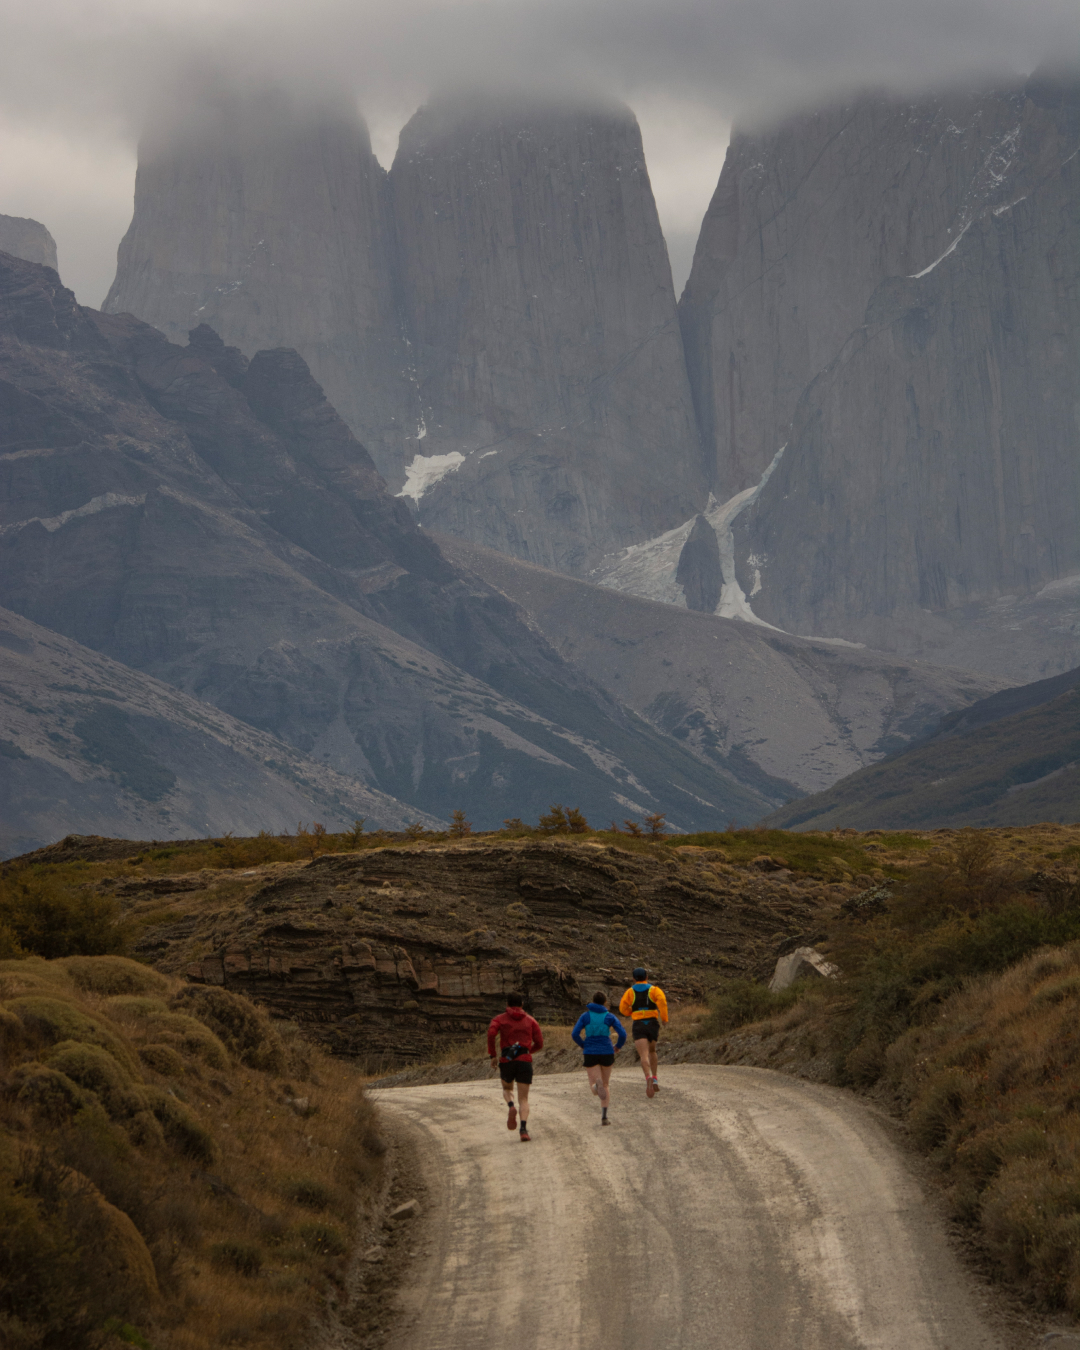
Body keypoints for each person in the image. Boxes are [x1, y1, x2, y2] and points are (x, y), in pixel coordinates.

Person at [487, 992, 544, 1142]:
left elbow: (491, 1033)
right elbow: (540, 1043)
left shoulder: (499, 1019)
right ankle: (523, 1130)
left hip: (507, 1060)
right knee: (524, 1099)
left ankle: (511, 1105)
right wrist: (527, 1052)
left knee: (507, 1089)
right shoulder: (531, 1021)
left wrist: (493, 1055)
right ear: (522, 1005)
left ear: (507, 1004)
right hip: (524, 1061)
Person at [571, 991, 627, 1125]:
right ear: (605, 1002)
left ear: (593, 1001)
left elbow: (575, 1034)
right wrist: (618, 1046)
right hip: (607, 1051)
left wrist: (583, 1045)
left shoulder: (585, 1016)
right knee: (606, 1084)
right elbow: (623, 1034)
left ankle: (597, 1086)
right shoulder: (609, 1016)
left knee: (594, 1086)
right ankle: (604, 1117)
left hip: (590, 1051)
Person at [619, 967, 669, 1098]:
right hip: (652, 1024)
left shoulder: (630, 992)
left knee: (643, 1055)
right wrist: (664, 1018)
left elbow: (622, 1008)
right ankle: (655, 1077)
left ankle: (647, 1078)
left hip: (639, 1024)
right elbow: (662, 1002)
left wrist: (631, 1011)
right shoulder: (654, 990)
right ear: (647, 977)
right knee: (652, 1051)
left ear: (634, 979)